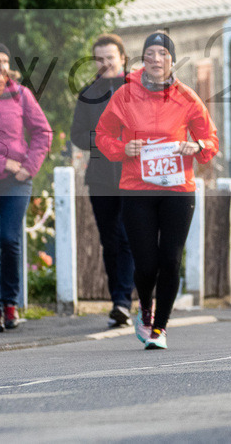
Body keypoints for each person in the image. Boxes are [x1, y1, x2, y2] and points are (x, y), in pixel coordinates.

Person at [96, 32, 219, 349]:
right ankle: (145, 309)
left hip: (177, 188)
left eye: (162, 54)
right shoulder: (124, 95)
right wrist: (126, 148)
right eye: (149, 53)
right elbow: (103, 135)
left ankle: (160, 328)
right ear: (142, 60)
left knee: (171, 260)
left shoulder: (187, 97)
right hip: (137, 188)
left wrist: (196, 146)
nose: (155, 59)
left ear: (172, 61)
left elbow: (211, 141)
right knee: (146, 263)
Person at [0, 41, 52, 333]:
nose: (2, 67)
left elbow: (43, 131)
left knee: (9, 239)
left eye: (5, 61)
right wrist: (2, 163)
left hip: (17, 181)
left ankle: (10, 303)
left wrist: (29, 167)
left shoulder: (21, 94)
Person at [70, 33, 134, 328]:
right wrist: (103, 139)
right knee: (109, 240)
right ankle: (118, 300)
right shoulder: (88, 93)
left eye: (111, 57)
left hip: (134, 175)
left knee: (127, 237)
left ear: (122, 57)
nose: (105, 63)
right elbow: (77, 135)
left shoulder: (139, 89)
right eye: (100, 58)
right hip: (100, 177)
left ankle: (125, 300)